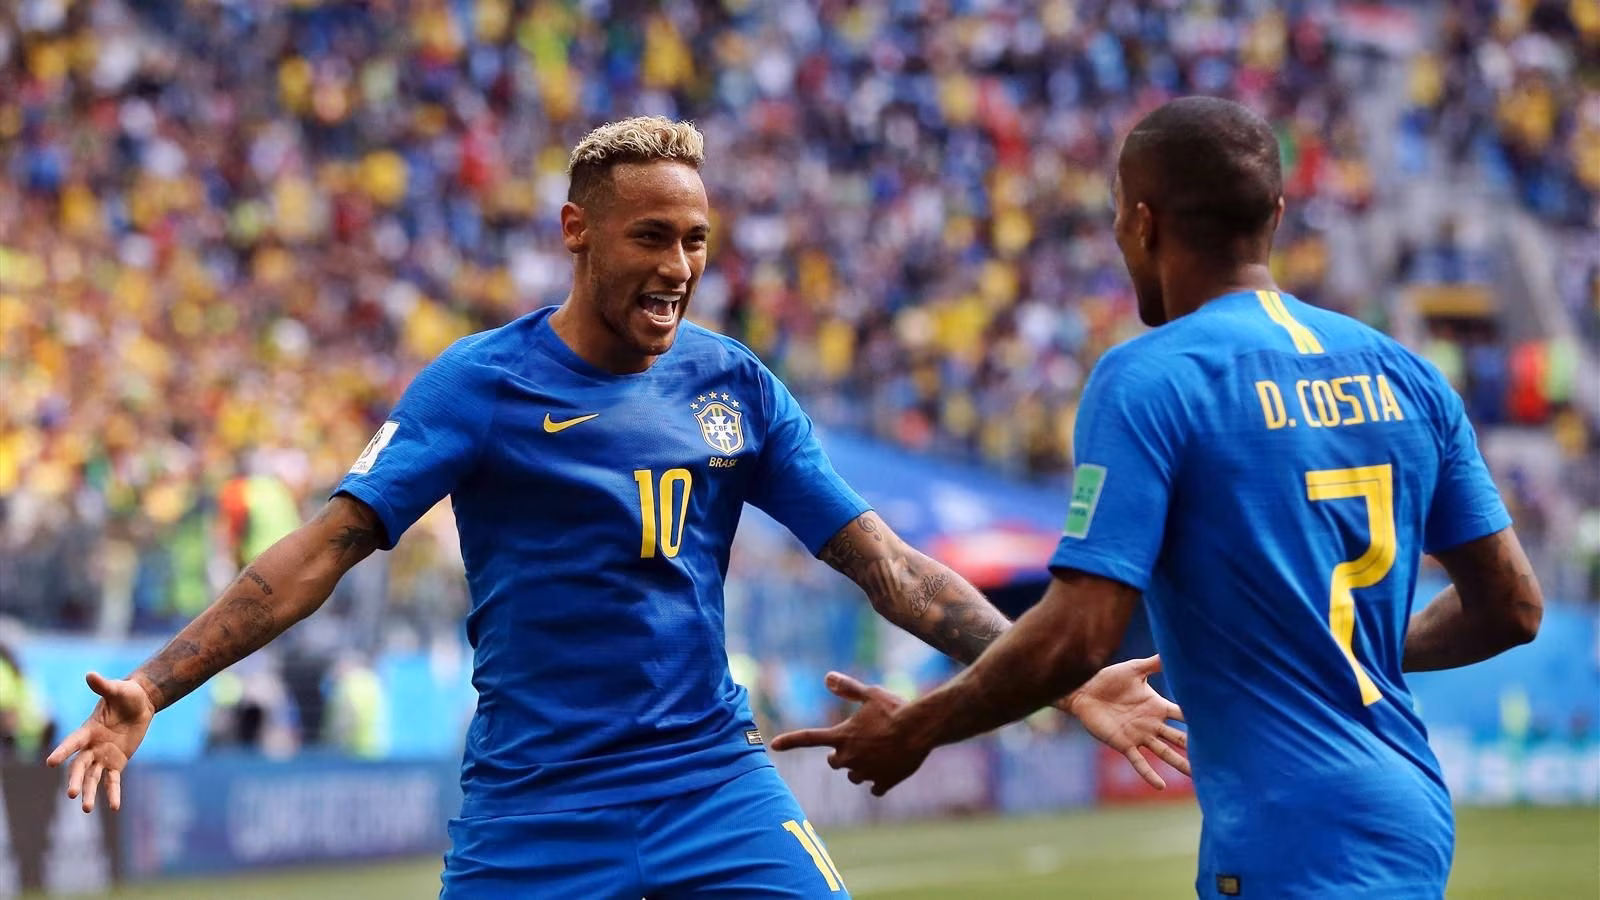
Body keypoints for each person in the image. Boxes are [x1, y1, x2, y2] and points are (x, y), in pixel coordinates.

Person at [47, 117, 1187, 899]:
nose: (679, 265)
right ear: (575, 230)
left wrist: (1065, 676)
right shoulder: (481, 387)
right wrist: (155, 683)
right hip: (535, 805)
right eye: (651, 236)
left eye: (695, 240)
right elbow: (321, 550)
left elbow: (890, 567)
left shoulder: (735, 388)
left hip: (711, 782)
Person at [770, 97, 1545, 899]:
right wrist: (1340, 646)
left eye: (1116, 214)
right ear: (1276, 216)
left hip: (1290, 831)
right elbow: (1513, 607)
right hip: (1411, 809)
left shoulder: (1152, 379)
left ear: (1141, 222)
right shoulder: (1408, 375)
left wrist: (919, 727)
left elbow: (1080, 634)